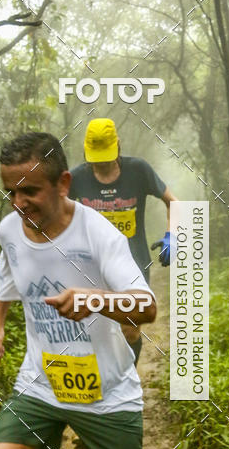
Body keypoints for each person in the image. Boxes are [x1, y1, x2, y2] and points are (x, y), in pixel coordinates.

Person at [0, 132, 188, 449]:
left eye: (29, 191)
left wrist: (93, 299)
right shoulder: (10, 228)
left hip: (105, 387)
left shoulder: (99, 234)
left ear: (63, 184)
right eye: (10, 192)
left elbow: (147, 307)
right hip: (43, 379)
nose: (18, 202)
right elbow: (9, 271)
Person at [69, 118, 177, 363]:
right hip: (91, 264)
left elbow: (174, 201)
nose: (101, 163)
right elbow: (55, 213)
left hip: (133, 261)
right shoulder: (76, 178)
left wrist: (173, 235)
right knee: (94, 329)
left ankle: (126, 383)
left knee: (129, 329)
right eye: (95, 156)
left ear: (118, 145)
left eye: (105, 155)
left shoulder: (138, 170)